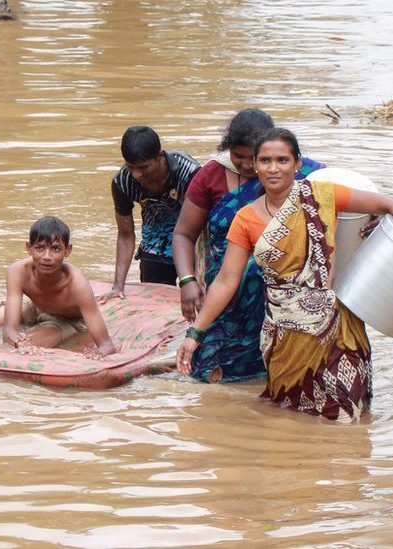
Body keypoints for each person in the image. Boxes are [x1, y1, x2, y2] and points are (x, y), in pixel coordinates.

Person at [177, 128, 393, 422]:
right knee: (294, 417)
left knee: (345, 419)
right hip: (284, 340)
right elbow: (226, 282)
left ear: (297, 164)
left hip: (337, 331)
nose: (273, 168)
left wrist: (379, 219)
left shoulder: (324, 196)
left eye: (282, 160)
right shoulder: (246, 219)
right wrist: (194, 333)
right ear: (255, 165)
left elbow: (386, 202)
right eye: (265, 160)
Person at [172, 109, 323, 383]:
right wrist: (187, 280)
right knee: (209, 372)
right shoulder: (211, 176)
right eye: (237, 156)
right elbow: (183, 233)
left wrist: (371, 221)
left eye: (251, 157)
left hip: (284, 297)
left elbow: (349, 203)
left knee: (284, 373)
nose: (245, 165)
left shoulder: (308, 175)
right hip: (227, 296)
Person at [0, 217, 116, 358]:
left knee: (27, 349)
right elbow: (10, 330)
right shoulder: (18, 271)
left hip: (66, 320)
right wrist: (18, 340)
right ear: (29, 248)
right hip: (34, 307)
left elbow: (106, 345)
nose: (47, 257)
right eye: (40, 248)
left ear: (67, 251)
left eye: (56, 249)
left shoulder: (77, 283)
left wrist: (97, 354)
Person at [107, 126, 200, 299]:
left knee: (197, 296)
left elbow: (200, 227)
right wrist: (118, 286)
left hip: (192, 239)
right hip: (156, 243)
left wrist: (194, 279)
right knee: (153, 301)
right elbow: (126, 235)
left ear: (160, 155)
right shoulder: (122, 181)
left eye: (143, 167)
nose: (136, 174)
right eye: (130, 167)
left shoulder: (189, 173)